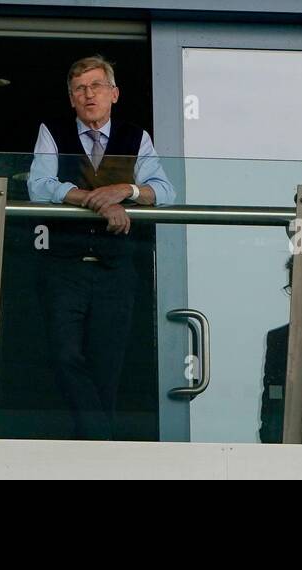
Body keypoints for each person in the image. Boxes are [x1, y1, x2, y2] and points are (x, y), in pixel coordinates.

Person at [26, 55, 174, 440]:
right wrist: (94, 200)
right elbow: (39, 187)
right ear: (71, 98)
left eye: (96, 86)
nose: (88, 95)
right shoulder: (53, 130)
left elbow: (166, 192)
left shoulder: (135, 136)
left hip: (117, 269)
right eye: (80, 89)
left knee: (108, 364)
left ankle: (94, 452)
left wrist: (125, 191)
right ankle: (103, 444)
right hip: (64, 265)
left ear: (114, 93)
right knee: (63, 355)